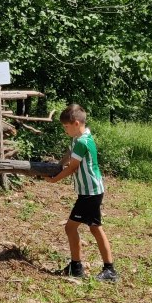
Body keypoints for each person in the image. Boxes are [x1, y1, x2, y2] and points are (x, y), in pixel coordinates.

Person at [45, 104, 118, 282]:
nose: (65, 131)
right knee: (94, 228)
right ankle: (96, 268)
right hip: (91, 191)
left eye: (66, 127)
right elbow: (69, 154)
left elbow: (72, 168)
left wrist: (54, 179)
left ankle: (83, 267)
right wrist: (58, 164)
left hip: (90, 193)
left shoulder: (82, 142)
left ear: (76, 123)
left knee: (72, 227)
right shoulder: (80, 137)